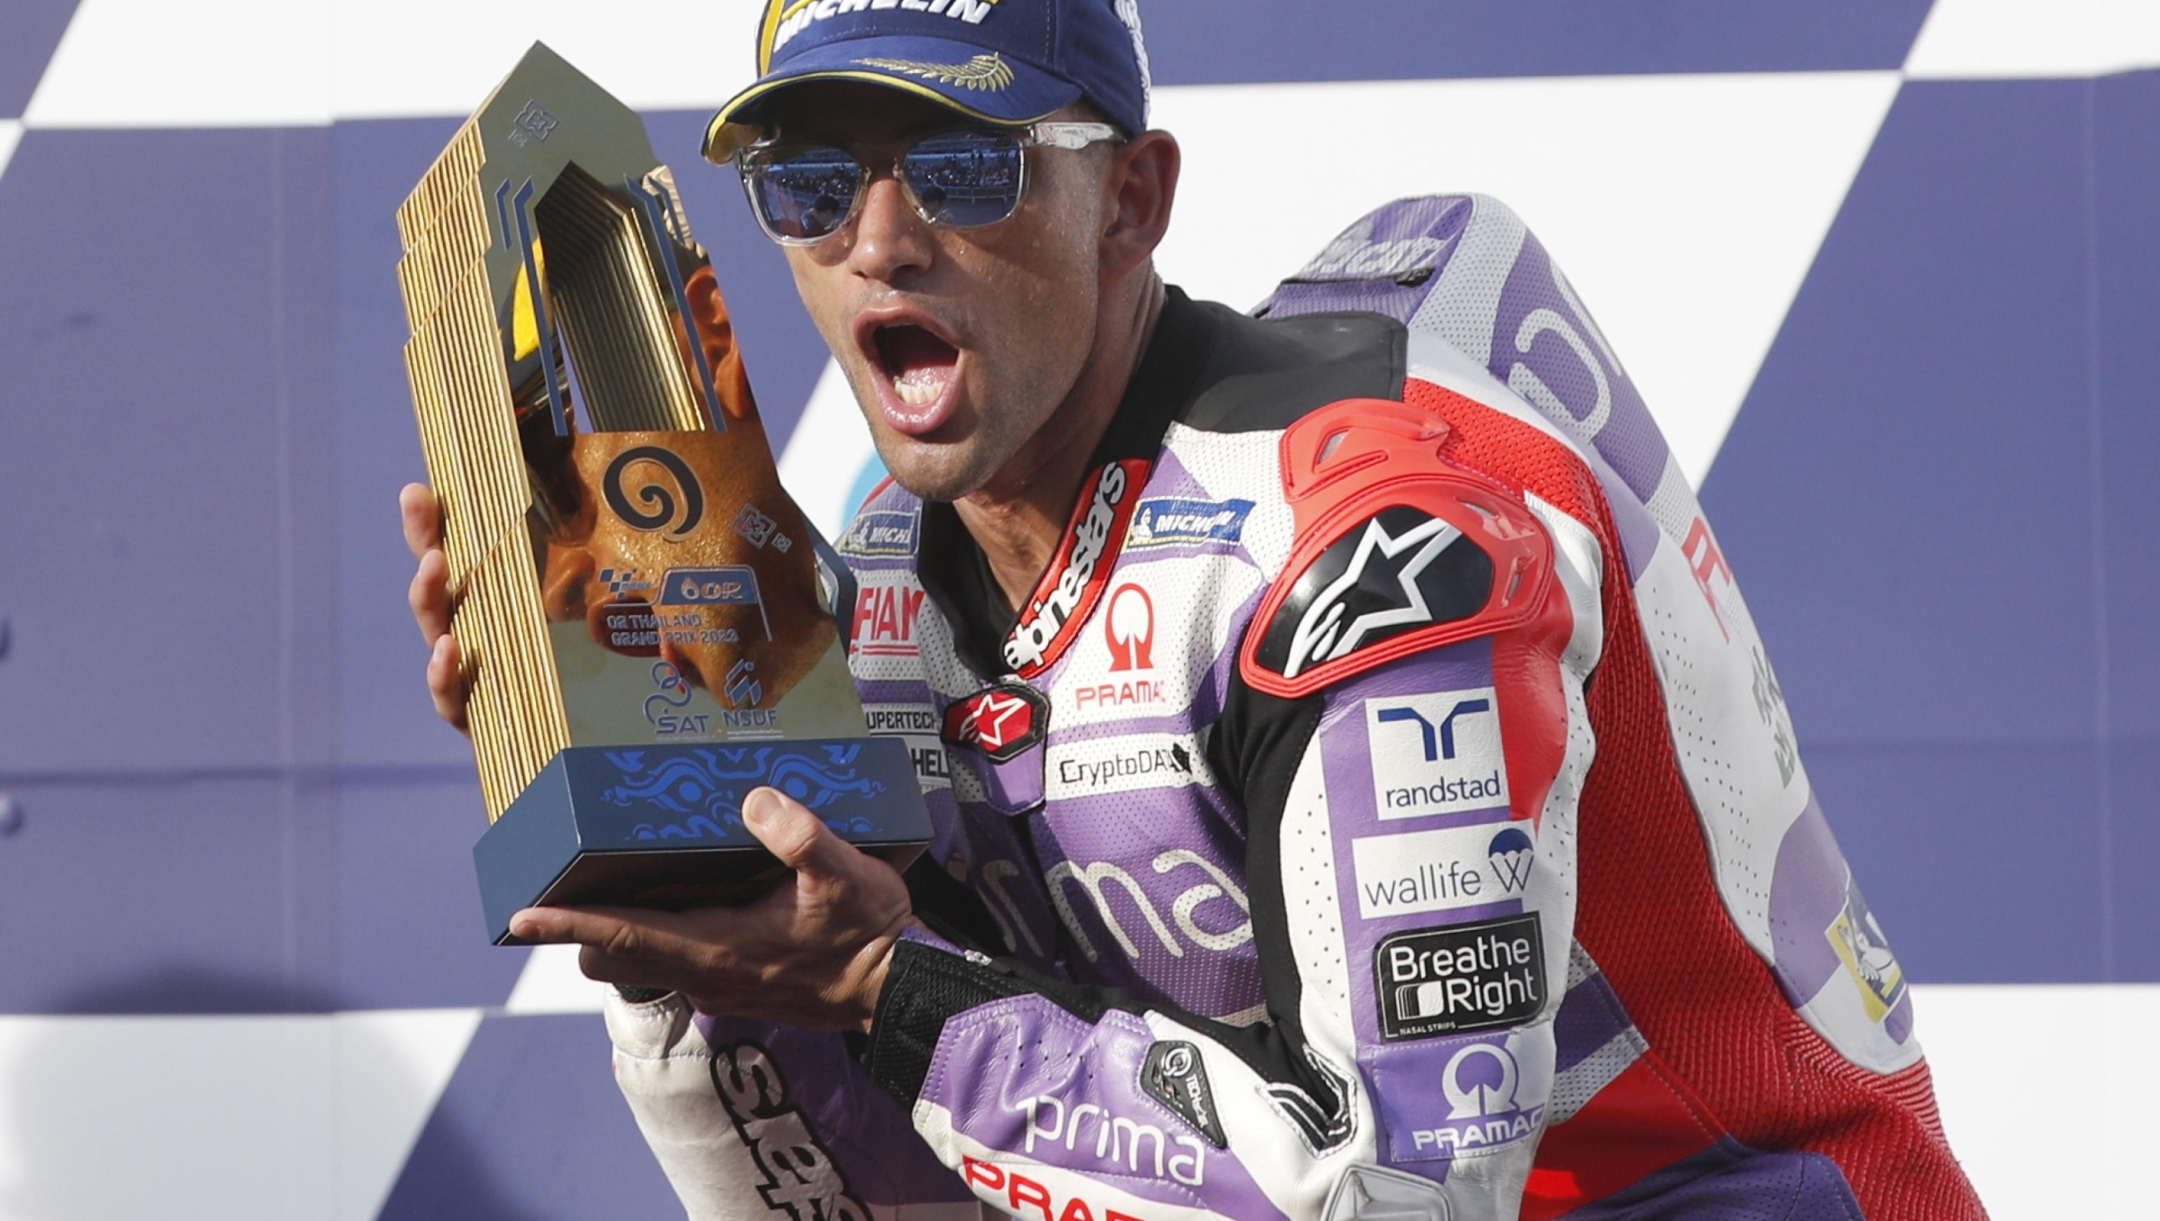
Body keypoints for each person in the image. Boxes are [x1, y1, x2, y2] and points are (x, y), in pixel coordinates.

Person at [400, 2, 1987, 1217]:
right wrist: (691, 895)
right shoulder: (878, 590)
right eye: (813, 183)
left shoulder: (1378, 548)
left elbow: (1405, 1197)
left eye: (962, 164)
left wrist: (896, 987)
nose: (878, 241)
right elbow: (921, 1184)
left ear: (1132, 203)